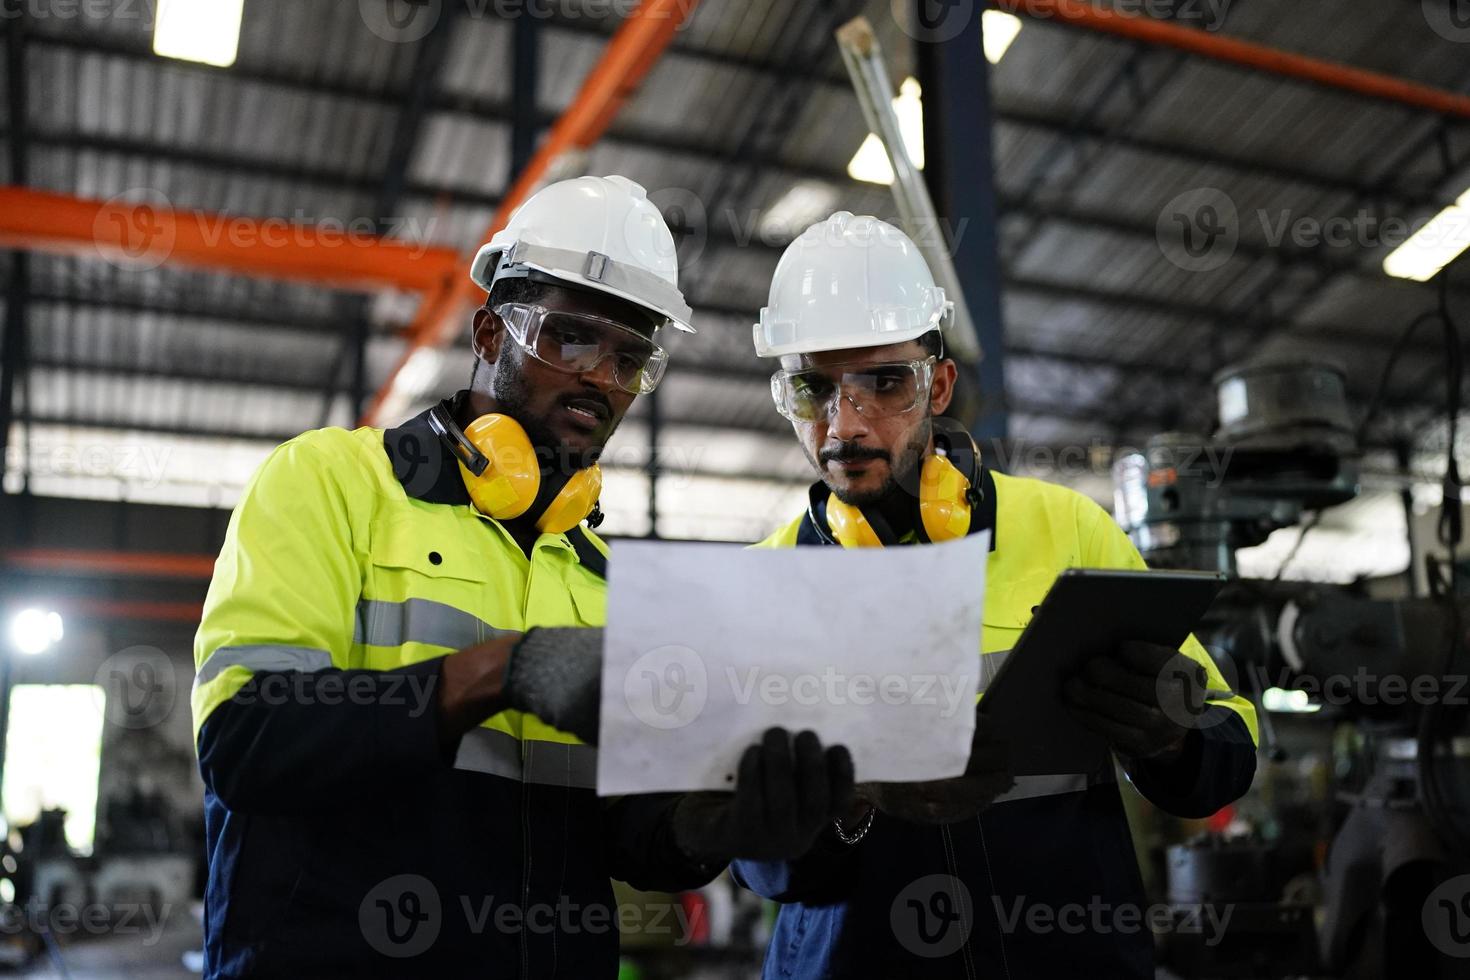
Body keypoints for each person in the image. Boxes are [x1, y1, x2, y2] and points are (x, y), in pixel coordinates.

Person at [192, 176, 853, 978]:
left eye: (630, 356)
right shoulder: (334, 482)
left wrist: (717, 820)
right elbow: (247, 739)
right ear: (490, 334)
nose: (602, 378)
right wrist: (494, 675)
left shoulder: (603, 575)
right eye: (570, 338)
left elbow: (628, 838)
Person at [729, 212, 1258, 977]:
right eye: (813, 389)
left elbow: (1229, 743)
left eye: (883, 383)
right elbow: (757, 866)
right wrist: (844, 805)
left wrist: (1171, 738)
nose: (845, 425)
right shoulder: (760, 584)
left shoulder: (1067, 529)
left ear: (938, 384)